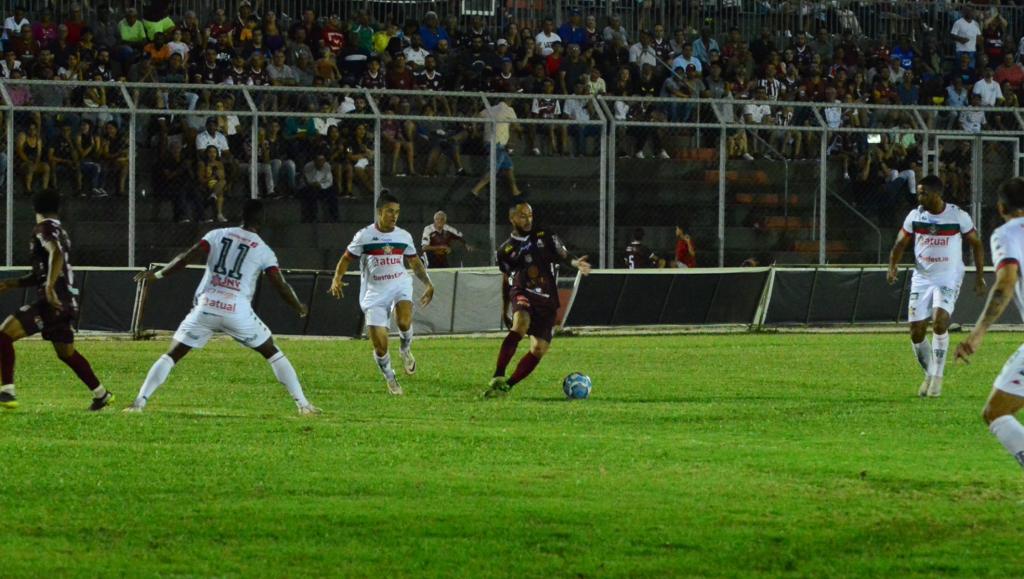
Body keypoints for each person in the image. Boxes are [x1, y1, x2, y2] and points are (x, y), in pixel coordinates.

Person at [126, 200, 319, 415]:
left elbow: (186, 257)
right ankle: (303, 405)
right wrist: (299, 306)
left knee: (172, 354)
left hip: (206, 306)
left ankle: (139, 403)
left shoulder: (217, 234)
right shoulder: (264, 250)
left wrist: (158, 274)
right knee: (272, 352)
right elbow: (280, 284)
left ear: (241, 215)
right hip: (237, 311)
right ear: (262, 219)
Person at [0, 191, 113, 411]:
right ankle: (101, 394)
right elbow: (40, 274)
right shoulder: (60, 230)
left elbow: (57, 254)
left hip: (52, 301)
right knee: (66, 353)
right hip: (66, 302)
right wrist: (10, 284)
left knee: (3, 335)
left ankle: (7, 390)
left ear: (35, 209)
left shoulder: (44, 229)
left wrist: (50, 287)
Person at [887, 175, 986, 398]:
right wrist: (892, 265)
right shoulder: (915, 215)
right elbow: (900, 242)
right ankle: (930, 374)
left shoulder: (957, 215)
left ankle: (938, 378)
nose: (919, 196)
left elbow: (977, 244)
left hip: (948, 276)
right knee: (916, 332)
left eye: (923, 193)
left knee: (940, 323)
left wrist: (979, 276)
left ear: (936, 194)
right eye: (919, 192)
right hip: (922, 277)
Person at [329, 191, 435, 396]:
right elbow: (345, 259)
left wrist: (428, 283)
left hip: (399, 284)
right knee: (380, 346)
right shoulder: (364, 236)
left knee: (404, 322)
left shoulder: (403, 236)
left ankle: (405, 350)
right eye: (389, 212)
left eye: (397, 212)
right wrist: (336, 278)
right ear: (379, 212)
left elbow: (414, 262)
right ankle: (390, 376)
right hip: (374, 293)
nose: (394, 216)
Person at [485, 202, 591, 397]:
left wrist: (577, 263)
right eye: (522, 216)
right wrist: (505, 307)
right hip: (522, 291)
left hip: (547, 298)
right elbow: (505, 279)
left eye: (530, 215)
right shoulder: (505, 251)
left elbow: (564, 255)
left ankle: (507, 385)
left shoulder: (545, 236)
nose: (528, 220)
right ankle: (498, 374)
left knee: (539, 348)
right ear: (512, 219)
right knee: (521, 324)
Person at [955, 177, 1024, 471]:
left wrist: (978, 332)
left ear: (1000, 207)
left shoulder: (1007, 234)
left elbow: (1006, 281)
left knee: (996, 412)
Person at [471, 96, 522, 199]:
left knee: (509, 167)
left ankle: (515, 192)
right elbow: (517, 126)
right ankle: (474, 191)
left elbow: (474, 118)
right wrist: (521, 130)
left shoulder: (490, 109)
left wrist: (475, 131)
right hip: (497, 144)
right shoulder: (509, 110)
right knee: (493, 170)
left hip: (489, 142)